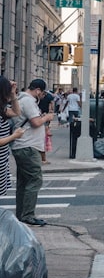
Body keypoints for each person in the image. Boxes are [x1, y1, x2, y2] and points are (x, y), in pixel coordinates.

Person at [12, 79, 56, 226]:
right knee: (35, 179)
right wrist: (47, 117)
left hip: (24, 146)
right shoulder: (29, 101)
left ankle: (22, 214)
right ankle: (28, 215)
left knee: (24, 182)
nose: (42, 96)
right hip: (28, 146)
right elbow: (35, 122)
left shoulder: (21, 99)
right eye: (42, 93)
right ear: (38, 90)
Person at [0, 77, 25, 196]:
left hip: (2, 159)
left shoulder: (2, 109)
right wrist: (14, 136)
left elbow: (16, 112)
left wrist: (13, 95)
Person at [38, 88, 54, 164]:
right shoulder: (49, 97)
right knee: (42, 142)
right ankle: (43, 159)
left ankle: (43, 159)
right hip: (42, 116)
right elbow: (51, 104)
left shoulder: (37, 99)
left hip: (42, 115)